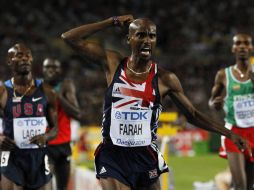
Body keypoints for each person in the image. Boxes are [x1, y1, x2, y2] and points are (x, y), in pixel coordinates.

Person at [61, 15, 250, 190]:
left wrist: (229, 134)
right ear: (129, 39)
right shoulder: (113, 63)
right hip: (113, 154)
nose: (147, 40)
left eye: (152, 36)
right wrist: (111, 21)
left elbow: (192, 114)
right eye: (140, 35)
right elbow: (69, 37)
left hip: (145, 155)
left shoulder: (165, 79)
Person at [0, 43, 58, 190]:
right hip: (12, 156)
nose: (25, 58)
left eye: (28, 55)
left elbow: (55, 128)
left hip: (39, 157)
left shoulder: (47, 90)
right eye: (19, 56)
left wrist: (45, 137)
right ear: (9, 61)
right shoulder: (2, 91)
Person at [209, 33, 254, 190]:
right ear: (233, 48)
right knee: (240, 184)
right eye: (238, 43)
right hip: (233, 132)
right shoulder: (223, 75)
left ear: (251, 48)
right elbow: (211, 101)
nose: (242, 46)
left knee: (249, 185)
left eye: (246, 43)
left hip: (253, 131)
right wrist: (215, 104)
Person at [42, 58, 83, 190]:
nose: (51, 70)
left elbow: (77, 114)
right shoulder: (37, 87)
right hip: (45, 144)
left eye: (55, 67)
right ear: (43, 70)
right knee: (45, 185)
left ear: (60, 70)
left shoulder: (66, 85)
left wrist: (58, 96)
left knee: (62, 187)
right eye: (48, 67)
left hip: (64, 145)